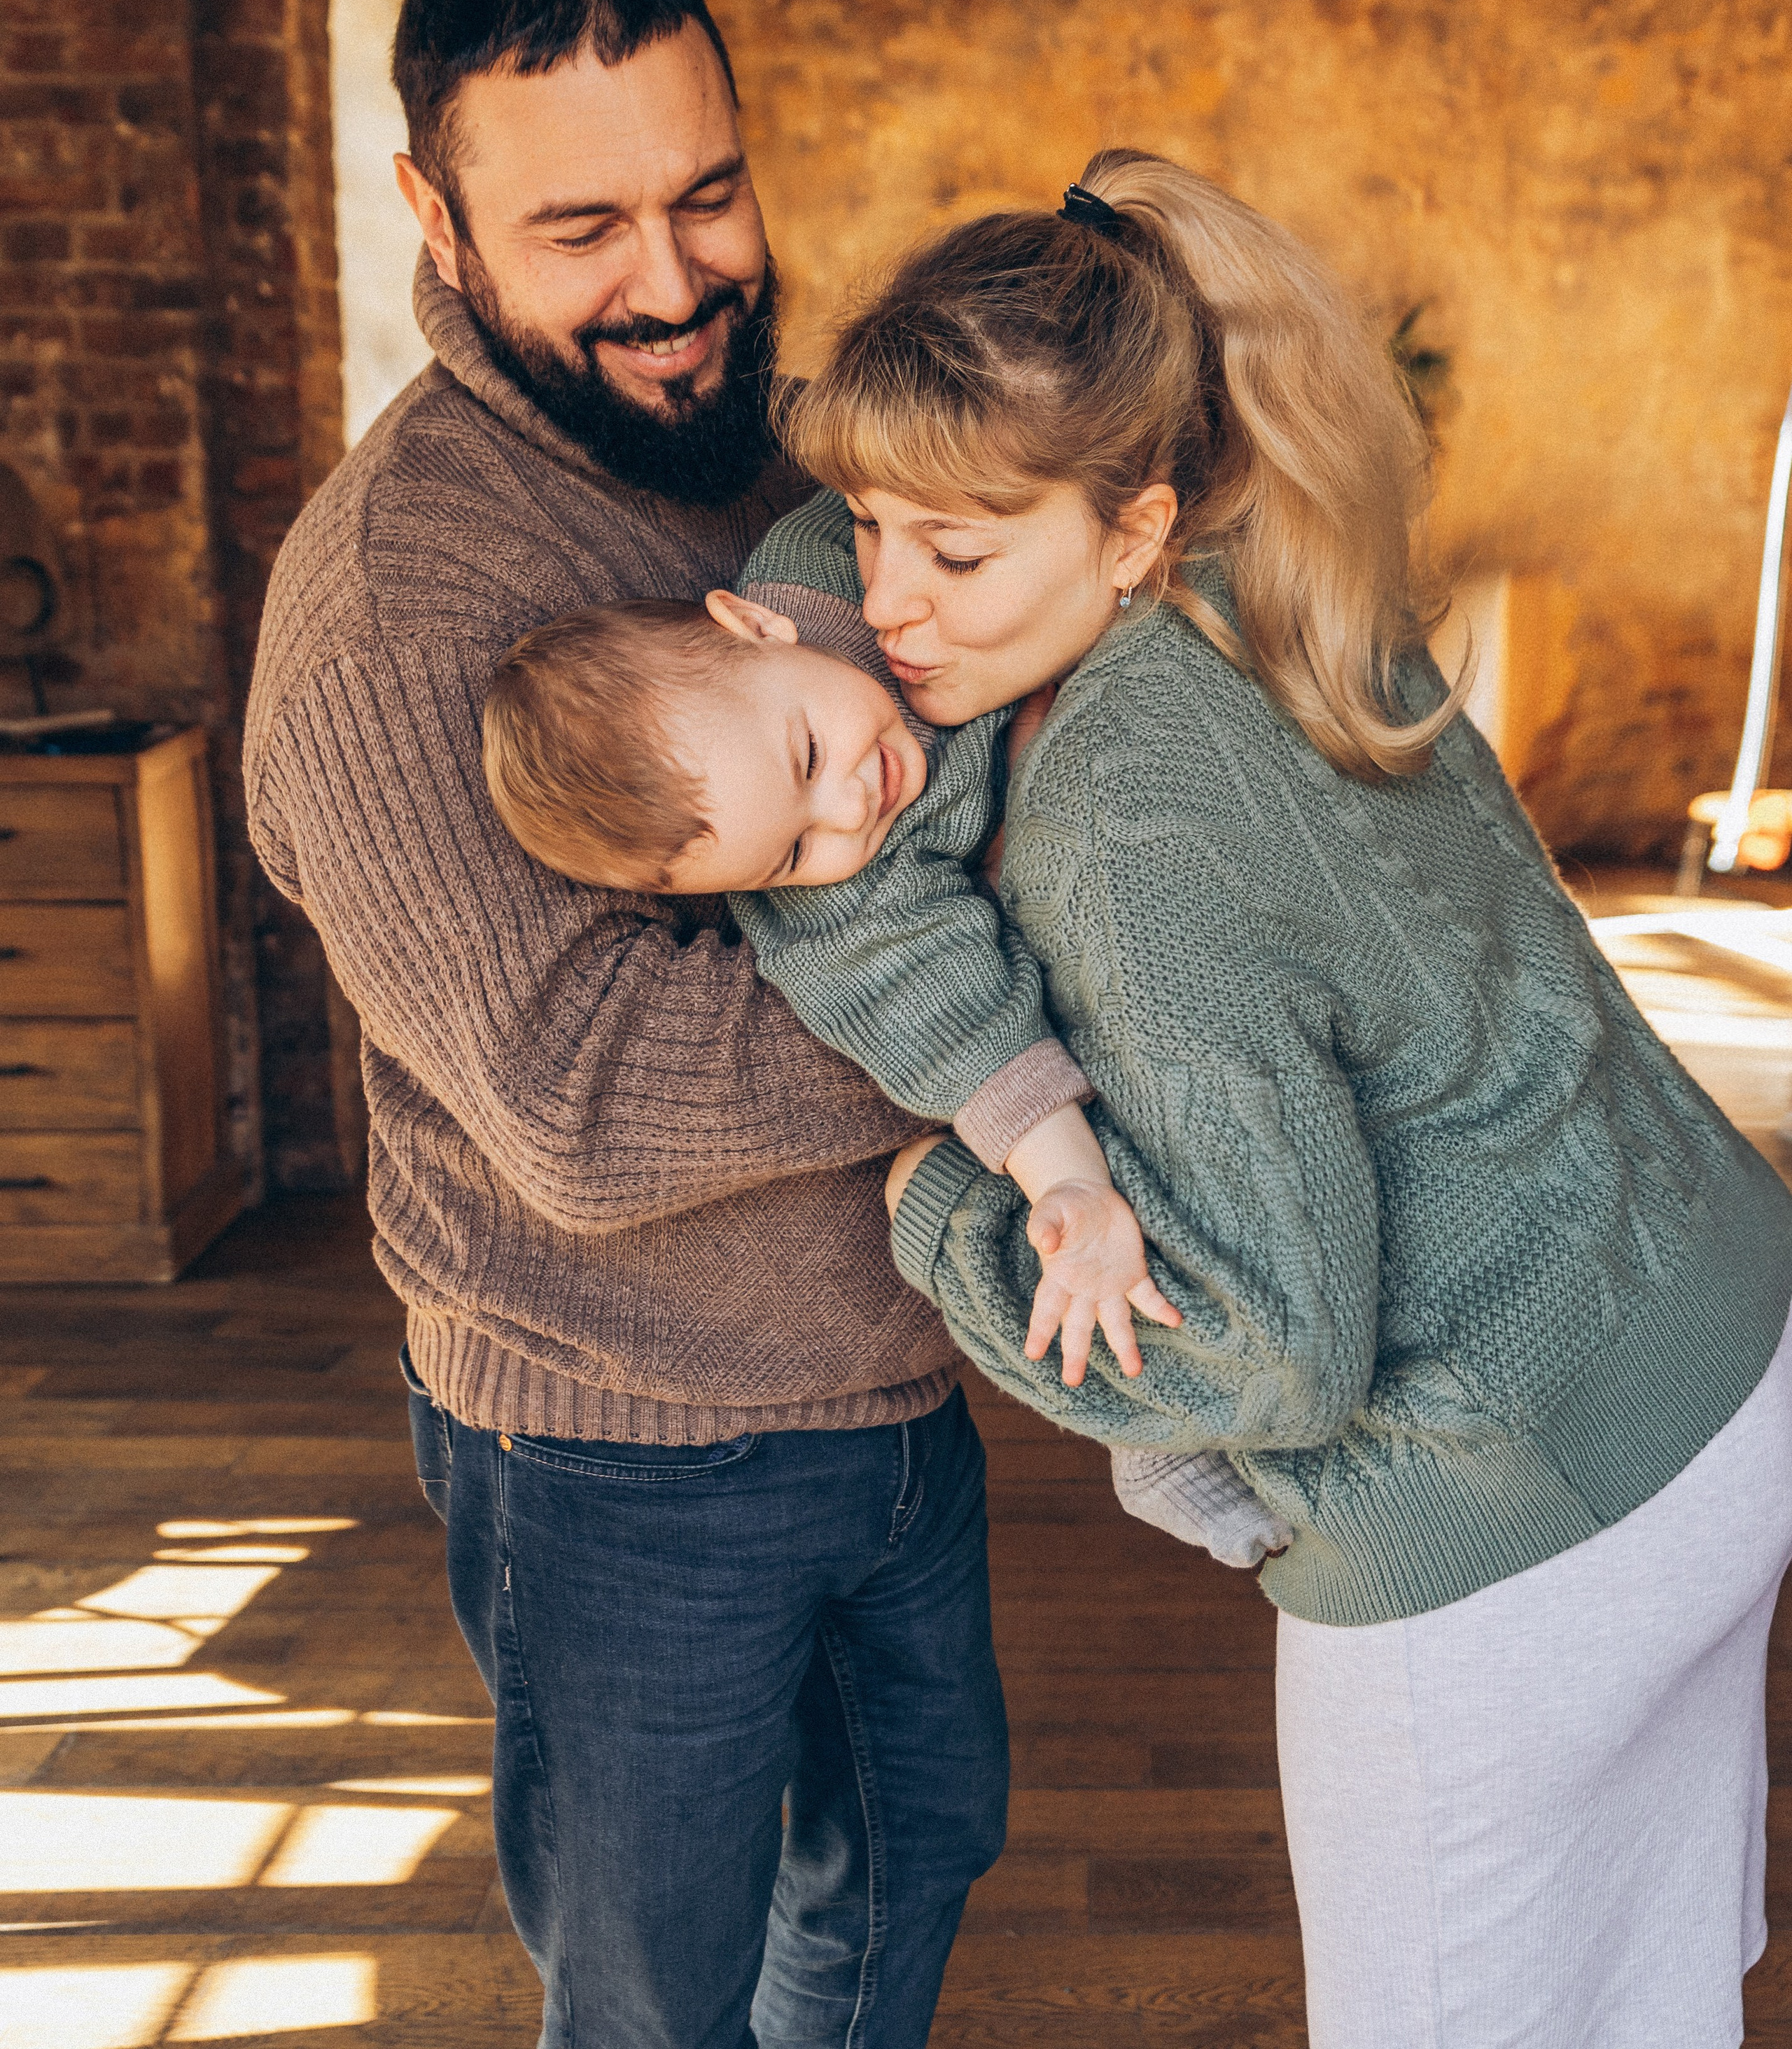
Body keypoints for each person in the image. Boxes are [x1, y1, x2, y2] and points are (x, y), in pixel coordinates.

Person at [573, 150, 1792, 2049]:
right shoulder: (1263, 541)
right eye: (871, 527)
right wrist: (869, 577)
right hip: (1721, 1362)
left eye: (956, 555)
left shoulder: (1127, 828)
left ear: (1128, 531)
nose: (888, 602)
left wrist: (941, 1215)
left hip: (1516, 1518)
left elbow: (1270, 1351)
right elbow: (844, 563)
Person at [244, 0, 1016, 2049]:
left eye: (709, 193)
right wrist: (1026, 1013)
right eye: (582, 227)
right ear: (436, 214)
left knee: (921, 1845)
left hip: (887, 1384)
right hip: (623, 1461)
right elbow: (582, 1101)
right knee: (651, 1988)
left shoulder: (754, 452)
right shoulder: (399, 604)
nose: (676, 285)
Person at [476, 566, 1289, 1570]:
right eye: (793, 851)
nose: (850, 809)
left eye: (810, 752)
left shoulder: (846, 566)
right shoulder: (841, 911)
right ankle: (1152, 1426)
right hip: (1042, 989)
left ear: (757, 625)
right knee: (1101, 1188)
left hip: (1149, 797)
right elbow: (959, 1029)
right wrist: (1070, 1182)